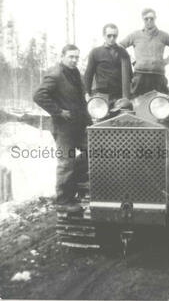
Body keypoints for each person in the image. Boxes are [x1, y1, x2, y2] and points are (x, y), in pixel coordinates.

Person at [33, 44, 89, 212]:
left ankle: (75, 185)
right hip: (64, 128)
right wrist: (58, 111)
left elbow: (80, 100)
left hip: (79, 126)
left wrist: (89, 121)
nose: (74, 60)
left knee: (95, 151)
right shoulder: (56, 73)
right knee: (66, 163)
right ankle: (64, 201)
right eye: (71, 56)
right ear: (62, 56)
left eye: (76, 57)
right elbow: (38, 95)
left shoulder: (75, 73)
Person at [120, 8, 169, 96]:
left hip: (158, 76)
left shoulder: (164, 35)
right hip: (140, 76)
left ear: (155, 18)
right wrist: (132, 61)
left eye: (151, 18)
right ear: (143, 19)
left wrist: (168, 60)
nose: (149, 21)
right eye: (146, 19)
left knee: (162, 103)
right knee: (137, 102)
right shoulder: (135, 35)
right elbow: (120, 46)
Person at [84, 23, 132, 102]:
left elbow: (129, 75)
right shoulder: (95, 52)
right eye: (109, 36)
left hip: (119, 96)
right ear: (103, 35)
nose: (112, 38)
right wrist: (87, 93)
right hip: (102, 94)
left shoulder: (123, 52)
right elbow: (88, 75)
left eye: (114, 36)